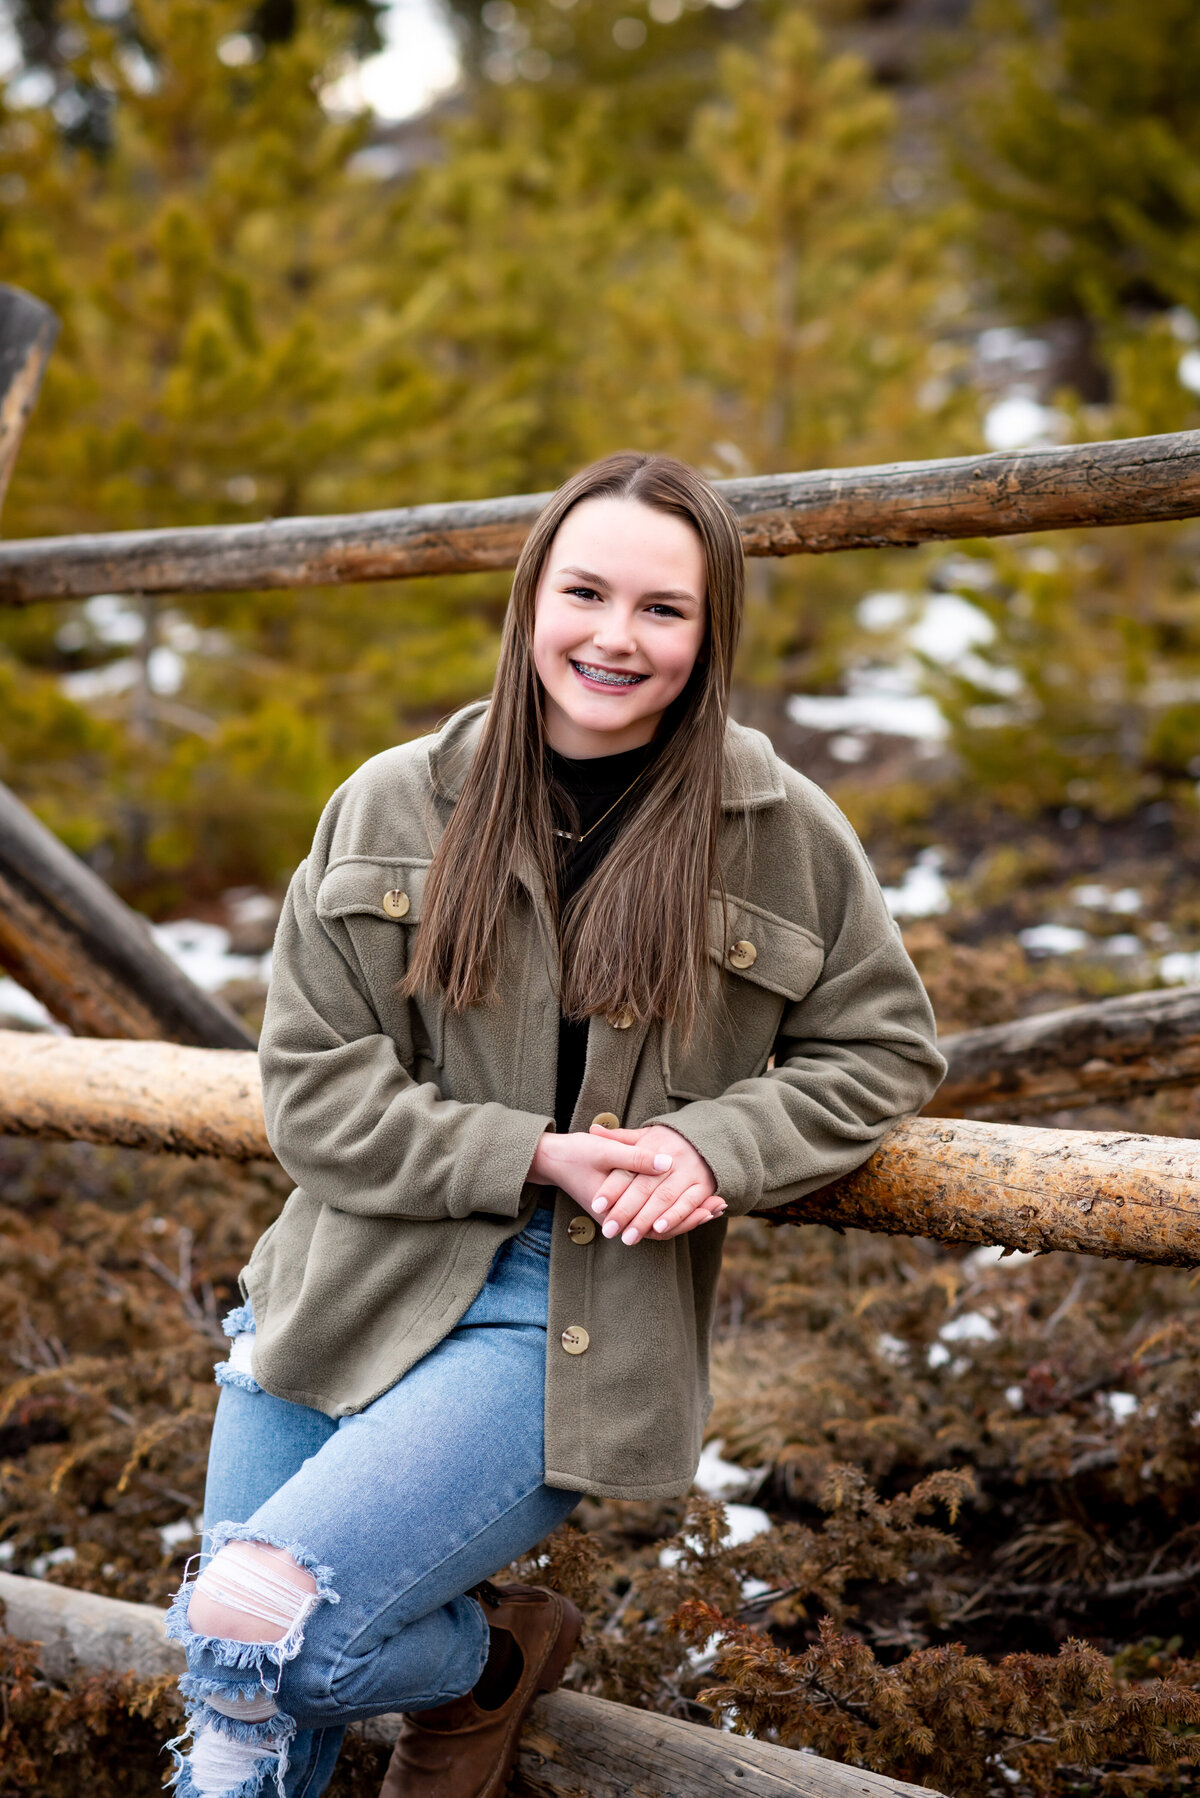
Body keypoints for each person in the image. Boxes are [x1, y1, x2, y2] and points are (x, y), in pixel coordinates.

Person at [164, 452, 946, 1798]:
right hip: (346, 1278)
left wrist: (717, 1144)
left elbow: (881, 1047)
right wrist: (525, 1148)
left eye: (663, 609)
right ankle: (488, 1665)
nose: (615, 636)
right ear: (533, 598)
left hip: (565, 1306)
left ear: (710, 636)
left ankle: (478, 1671)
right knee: (239, 1682)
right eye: (586, 591)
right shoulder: (391, 802)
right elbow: (313, 1092)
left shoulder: (780, 831)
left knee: (252, 1619)